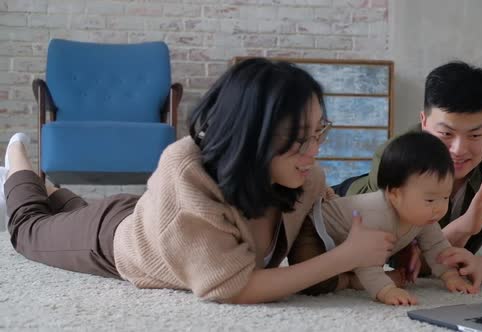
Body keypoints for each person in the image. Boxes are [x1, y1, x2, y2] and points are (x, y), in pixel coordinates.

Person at [0, 58, 396, 304]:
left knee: (70, 209)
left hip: (164, 223)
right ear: (249, 135)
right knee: (29, 231)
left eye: (318, 132)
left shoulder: (307, 178)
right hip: (116, 241)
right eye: (297, 139)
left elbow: (337, 224)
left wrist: (406, 244)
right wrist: (344, 259)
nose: (313, 150)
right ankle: (17, 160)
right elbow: (235, 287)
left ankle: (51, 190)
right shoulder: (186, 169)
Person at [334, 61, 482, 288]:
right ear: (424, 122)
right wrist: (463, 227)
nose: (458, 150)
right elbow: (398, 260)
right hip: (343, 203)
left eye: (476, 135)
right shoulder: (391, 158)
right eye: (446, 133)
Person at [299, 132, 478, 305]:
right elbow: (365, 259)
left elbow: (437, 247)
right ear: (395, 194)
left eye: (445, 197)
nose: (439, 208)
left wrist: (451, 276)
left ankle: (353, 278)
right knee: (315, 282)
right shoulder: (377, 215)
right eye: (430, 199)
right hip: (315, 229)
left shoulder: (425, 216)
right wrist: (386, 290)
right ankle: (350, 282)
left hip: (348, 246)